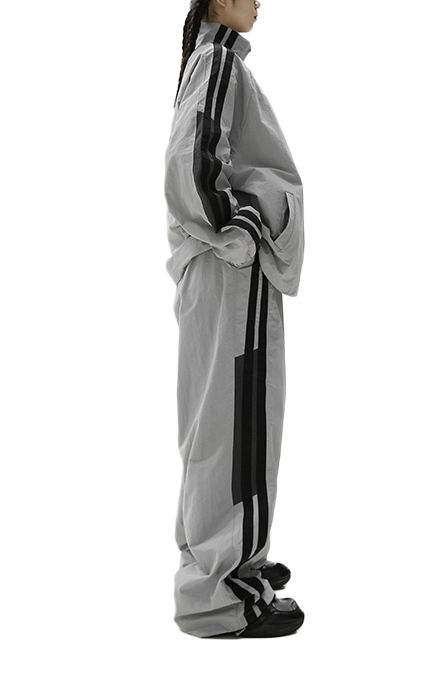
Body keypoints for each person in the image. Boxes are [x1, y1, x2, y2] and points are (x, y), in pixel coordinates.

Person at [164, 0, 305, 638]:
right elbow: (191, 167)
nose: (260, 1)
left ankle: (222, 560)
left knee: (216, 423)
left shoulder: (207, 59)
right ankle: (222, 599)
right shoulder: (217, 60)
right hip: (231, 271)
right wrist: (241, 227)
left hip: (218, 271)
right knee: (237, 420)